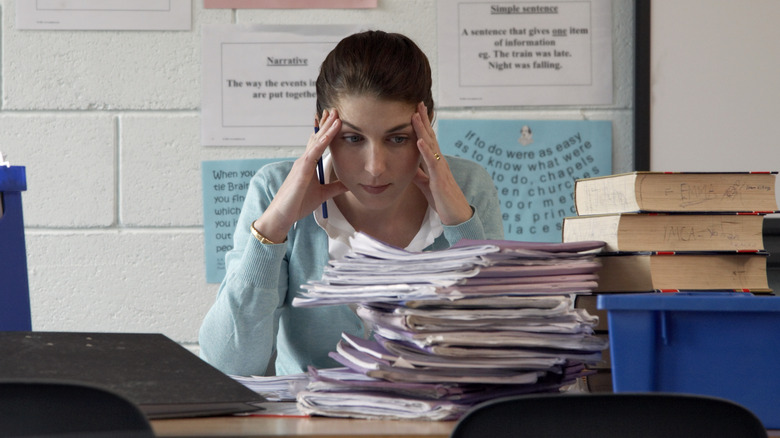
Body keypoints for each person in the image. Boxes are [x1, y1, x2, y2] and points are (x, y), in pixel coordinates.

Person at [199, 30, 504, 377]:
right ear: (321, 130)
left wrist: (463, 229)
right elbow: (227, 366)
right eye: (353, 138)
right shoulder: (274, 188)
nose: (375, 167)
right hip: (310, 426)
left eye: (398, 138)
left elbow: (502, 354)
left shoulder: (466, 185)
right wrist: (273, 229)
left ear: (427, 125)